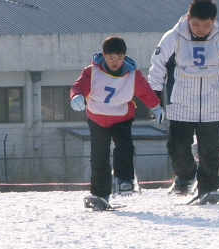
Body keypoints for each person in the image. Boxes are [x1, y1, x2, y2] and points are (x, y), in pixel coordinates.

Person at [148, 0, 219, 205]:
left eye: (206, 25)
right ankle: (186, 175)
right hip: (181, 104)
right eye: (196, 24)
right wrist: (155, 97)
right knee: (178, 148)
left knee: (211, 150)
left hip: (211, 105)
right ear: (189, 18)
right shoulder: (173, 38)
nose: (201, 29)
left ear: (214, 21)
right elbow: (157, 68)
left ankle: (209, 187)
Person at [70, 36, 164, 210]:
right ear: (104, 55)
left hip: (122, 117)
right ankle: (100, 193)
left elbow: (145, 92)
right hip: (97, 118)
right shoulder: (92, 71)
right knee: (99, 156)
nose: (115, 62)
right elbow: (80, 85)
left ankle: (124, 180)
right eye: (111, 58)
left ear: (124, 56)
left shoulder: (132, 74)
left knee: (124, 147)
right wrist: (77, 95)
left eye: (119, 58)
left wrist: (156, 106)